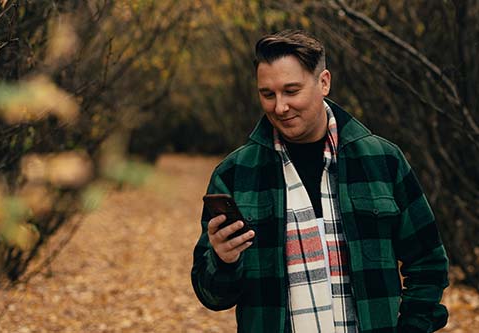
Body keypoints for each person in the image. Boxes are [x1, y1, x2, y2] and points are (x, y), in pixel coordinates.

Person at [191, 29, 449, 333]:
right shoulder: (234, 174)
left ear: (323, 82)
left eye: (291, 91)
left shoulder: (383, 160)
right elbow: (212, 296)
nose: (280, 107)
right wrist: (223, 261)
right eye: (268, 94)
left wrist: (412, 327)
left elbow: (428, 263)